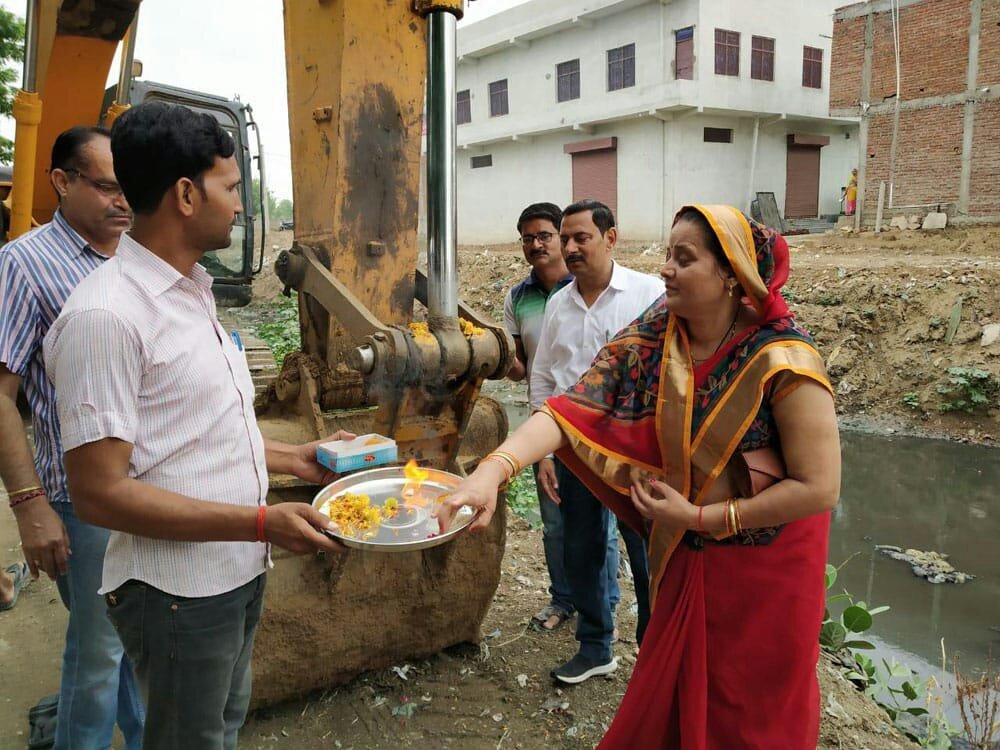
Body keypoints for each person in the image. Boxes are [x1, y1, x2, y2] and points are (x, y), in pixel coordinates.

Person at [438, 204, 840, 747]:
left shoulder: (785, 359)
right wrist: (493, 469)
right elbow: (571, 406)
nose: (666, 269)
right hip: (686, 549)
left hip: (766, 572)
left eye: (684, 258)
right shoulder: (658, 334)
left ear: (732, 275)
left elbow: (819, 488)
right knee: (673, 693)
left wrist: (699, 516)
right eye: (667, 254)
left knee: (749, 710)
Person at [43, 101, 350, 750]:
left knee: (219, 728)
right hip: (176, 593)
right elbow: (100, 493)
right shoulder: (107, 317)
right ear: (186, 194)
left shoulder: (191, 289)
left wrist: (294, 460)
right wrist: (262, 521)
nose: (239, 206)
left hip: (232, 569)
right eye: (232, 188)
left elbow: (196, 436)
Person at [0, 126, 144, 747]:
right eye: (108, 187)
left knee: (129, 642)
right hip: (82, 502)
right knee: (97, 658)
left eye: (129, 189)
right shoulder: (24, 265)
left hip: (147, 493)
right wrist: (30, 506)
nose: (124, 202)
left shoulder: (137, 254)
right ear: (62, 181)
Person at [528, 199, 662, 684]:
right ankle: (595, 647)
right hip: (574, 450)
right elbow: (543, 377)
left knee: (647, 554)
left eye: (580, 237)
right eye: (565, 238)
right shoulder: (559, 303)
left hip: (637, 452)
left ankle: (655, 651)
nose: (569, 247)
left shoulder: (650, 294)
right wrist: (544, 451)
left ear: (610, 238)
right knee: (582, 549)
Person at [502, 201, 577, 632]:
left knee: (599, 525)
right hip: (543, 418)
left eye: (544, 235)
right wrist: (488, 352)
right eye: (528, 238)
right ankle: (563, 599)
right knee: (553, 522)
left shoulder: (584, 288)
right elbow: (522, 368)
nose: (536, 244)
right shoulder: (518, 296)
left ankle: (602, 607)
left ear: (561, 238)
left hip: (588, 421)